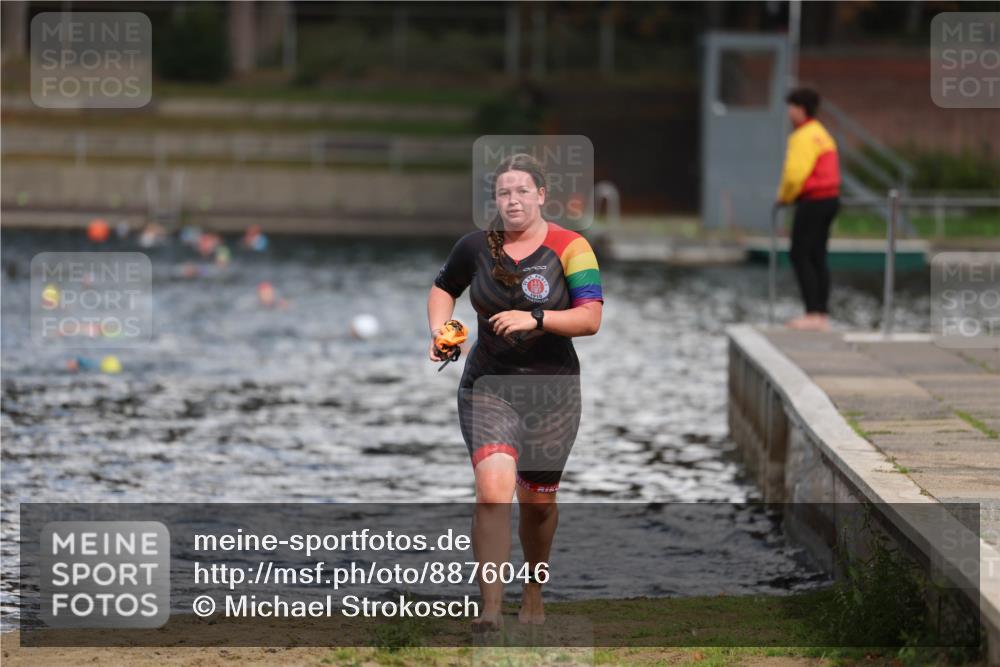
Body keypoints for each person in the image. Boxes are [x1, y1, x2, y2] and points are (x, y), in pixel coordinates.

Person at [427, 153, 603, 631]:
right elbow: (443, 288)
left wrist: (537, 318)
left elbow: (590, 319)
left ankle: (532, 588)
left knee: (538, 503)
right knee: (493, 489)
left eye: (523, 191)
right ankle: (489, 608)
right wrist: (441, 329)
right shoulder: (475, 247)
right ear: (496, 200)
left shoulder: (572, 247)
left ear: (541, 195)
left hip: (554, 392)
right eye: (504, 193)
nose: (513, 200)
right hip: (488, 386)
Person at [776, 87, 841, 331]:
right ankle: (821, 314)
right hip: (830, 200)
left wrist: (784, 197)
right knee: (817, 256)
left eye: (790, 108)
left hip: (813, 200)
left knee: (800, 254)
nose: (788, 113)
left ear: (800, 109)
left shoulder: (802, 136)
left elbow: (795, 175)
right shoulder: (822, 134)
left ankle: (812, 313)